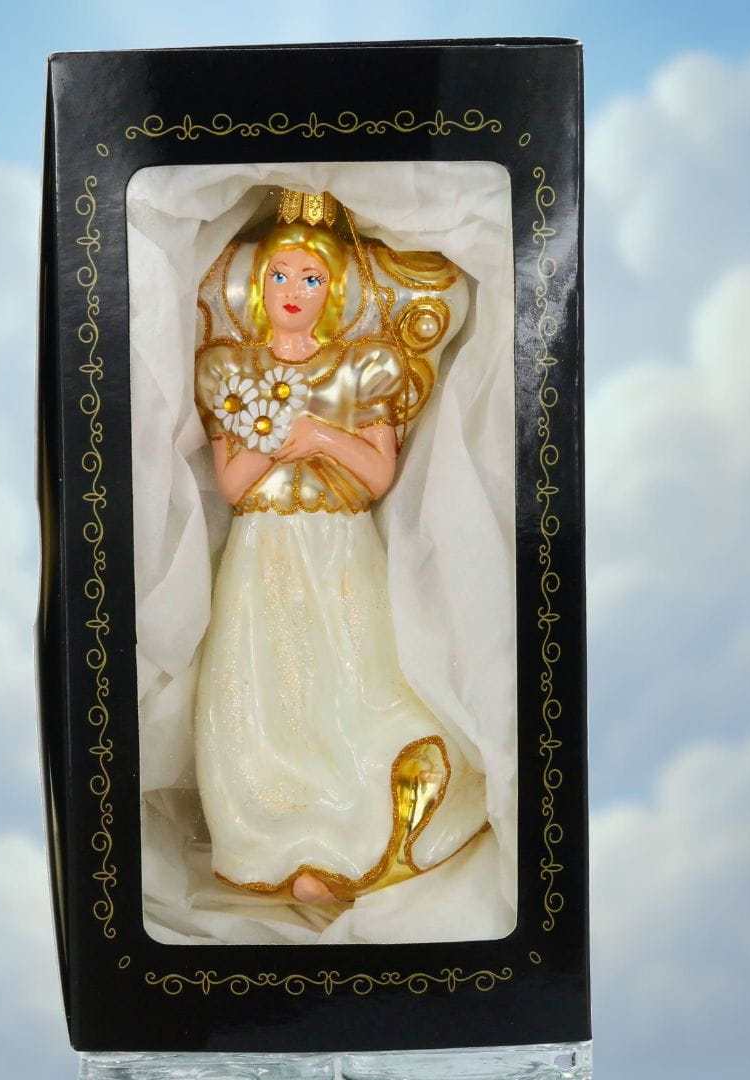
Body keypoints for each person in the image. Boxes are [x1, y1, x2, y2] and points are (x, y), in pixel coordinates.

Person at [193, 190, 488, 905]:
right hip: (263, 551)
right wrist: (272, 443)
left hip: (340, 549)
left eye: (311, 277)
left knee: (355, 680)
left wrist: (319, 435)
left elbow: (378, 475)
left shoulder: (362, 368)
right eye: (280, 275)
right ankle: (282, 842)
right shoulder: (231, 371)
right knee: (265, 691)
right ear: (259, 285)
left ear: (332, 292)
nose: (293, 290)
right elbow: (231, 484)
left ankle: (365, 835)